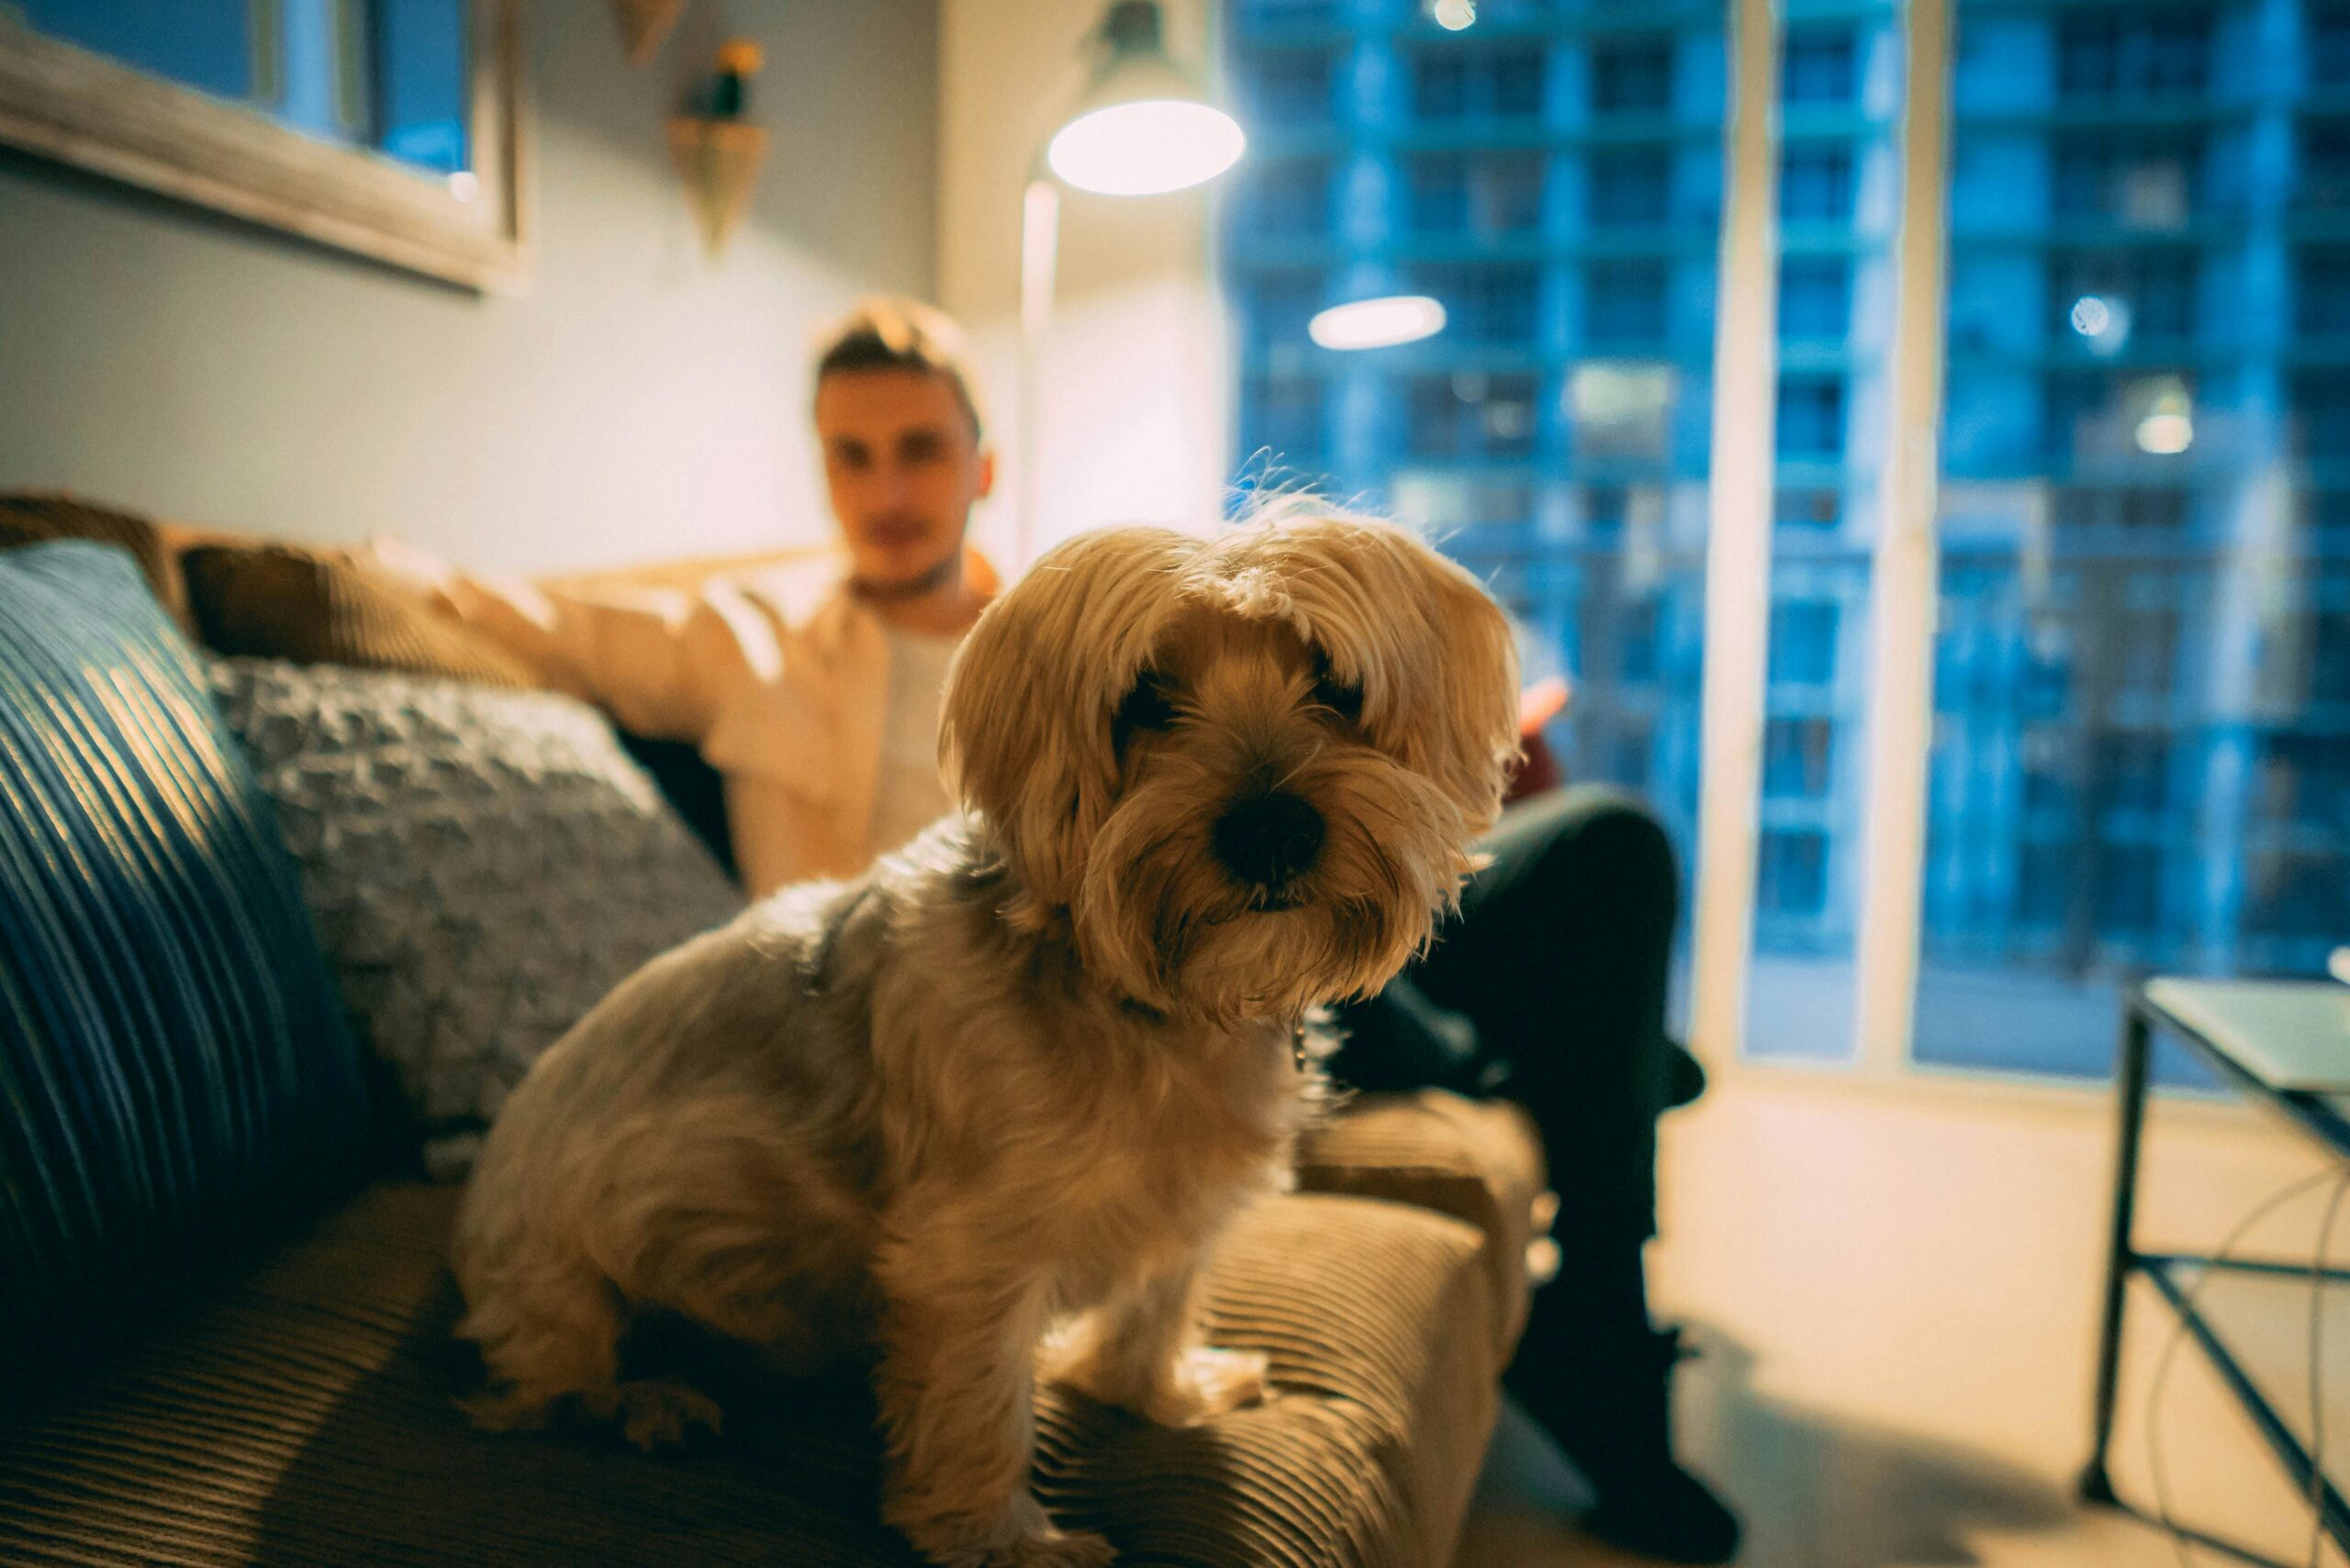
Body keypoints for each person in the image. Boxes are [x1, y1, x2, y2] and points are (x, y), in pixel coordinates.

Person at [397, 297, 1740, 1564]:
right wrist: (332, 578)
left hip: (1192, 948)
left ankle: (1512, 1107)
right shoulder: (764, 641)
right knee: (1381, 988)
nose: (888, 487)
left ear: (981, 466)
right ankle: (1553, 1076)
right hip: (1023, 942)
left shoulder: (1091, 604)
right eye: (852, 456)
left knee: (1602, 846)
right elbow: (524, 621)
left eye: (921, 449)